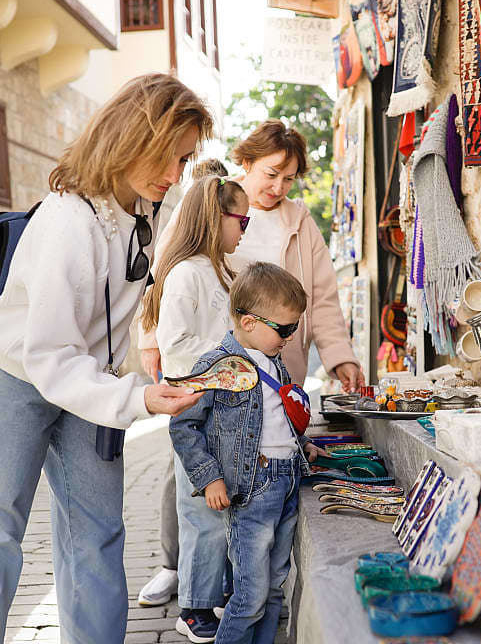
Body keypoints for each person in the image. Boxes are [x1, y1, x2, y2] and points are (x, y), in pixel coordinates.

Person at [0, 73, 209, 644]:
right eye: (166, 156)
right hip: (20, 376)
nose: (173, 175)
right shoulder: (69, 220)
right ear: (128, 137)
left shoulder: (146, 206)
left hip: (90, 381)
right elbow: (50, 355)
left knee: (99, 533)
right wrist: (135, 397)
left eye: (184, 161)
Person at [137, 120, 365, 604]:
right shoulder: (212, 200)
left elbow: (321, 298)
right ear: (247, 162)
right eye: (272, 173)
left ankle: (236, 584)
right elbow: (161, 274)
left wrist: (339, 355)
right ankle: (175, 566)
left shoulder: (300, 222)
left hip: (271, 372)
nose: (278, 187)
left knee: (253, 476)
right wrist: (151, 341)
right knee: (193, 469)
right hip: (210, 371)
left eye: (289, 178)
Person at [169, 262, 325, 644]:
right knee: (250, 595)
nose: (290, 337)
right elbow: (183, 426)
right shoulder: (216, 366)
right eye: (285, 329)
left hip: (287, 480)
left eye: (295, 328)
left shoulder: (274, 361)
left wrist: (301, 445)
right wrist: (210, 477)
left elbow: (276, 417)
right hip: (252, 488)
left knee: (273, 589)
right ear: (250, 321)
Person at [137, 174, 250, 640]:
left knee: (220, 509)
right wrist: (234, 351)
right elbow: (176, 343)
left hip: (222, 408)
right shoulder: (185, 274)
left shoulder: (220, 270)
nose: (245, 227)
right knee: (200, 512)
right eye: (240, 219)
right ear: (213, 216)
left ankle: (216, 594)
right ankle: (193, 609)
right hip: (195, 409)